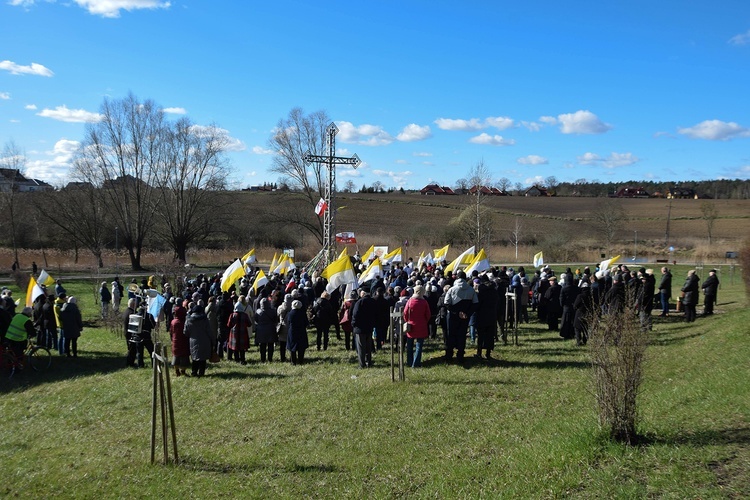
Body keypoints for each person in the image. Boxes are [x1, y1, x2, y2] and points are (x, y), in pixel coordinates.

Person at [443, 270, 478, 362]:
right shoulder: (471, 289)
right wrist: (467, 313)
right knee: (462, 335)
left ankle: (449, 355)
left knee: (451, 335)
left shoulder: (452, 289)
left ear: (457, 278)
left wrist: (456, 312)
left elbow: (446, 303)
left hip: (453, 316)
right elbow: (475, 303)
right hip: (465, 317)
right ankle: (460, 355)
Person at [402, 284, 431, 367]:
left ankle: (409, 362)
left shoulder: (410, 301)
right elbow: (428, 314)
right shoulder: (424, 302)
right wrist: (424, 321)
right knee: (419, 346)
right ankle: (416, 363)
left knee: (409, 346)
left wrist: (407, 320)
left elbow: (405, 313)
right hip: (421, 326)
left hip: (411, 326)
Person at [185, 301, 212, 377]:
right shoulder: (205, 320)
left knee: (194, 357)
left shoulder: (189, 320)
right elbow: (209, 331)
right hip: (204, 340)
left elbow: (185, 331)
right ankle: (201, 372)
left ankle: (194, 372)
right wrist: (212, 340)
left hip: (193, 340)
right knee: (203, 358)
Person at [351, 289, 376, 368]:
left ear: (363, 294)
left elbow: (355, 314)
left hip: (360, 328)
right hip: (369, 327)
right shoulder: (373, 301)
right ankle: (369, 362)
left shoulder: (359, 302)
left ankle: (362, 364)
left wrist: (353, 324)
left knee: (361, 347)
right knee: (368, 346)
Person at [474, 275, 498, 359]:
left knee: (480, 335)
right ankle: (488, 353)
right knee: (490, 335)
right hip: (492, 315)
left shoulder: (481, 292)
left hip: (482, 315)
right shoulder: (494, 291)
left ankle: (479, 352)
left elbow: (478, 304)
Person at [170, 299, 191, 376]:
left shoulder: (173, 321)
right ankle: (183, 370)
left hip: (176, 340)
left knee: (176, 356)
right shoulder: (185, 321)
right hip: (184, 340)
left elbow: (171, 331)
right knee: (184, 356)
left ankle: (177, 370)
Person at [255, 293, 278, 362]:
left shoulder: (258, 312)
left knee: (262, 345)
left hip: (261, 330)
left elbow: (256, 320)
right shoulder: (273, 311)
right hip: (270, 329)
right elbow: (275, 320)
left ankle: (263, 359)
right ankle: (270, 358)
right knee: (270, 345)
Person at [227, 298, 251, 364]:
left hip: (234, 333)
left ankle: (236, 359)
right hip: (243, 333)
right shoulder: (245, 315)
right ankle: (242, 359)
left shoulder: (232, 315)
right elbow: (249, 324)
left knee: (235, 347)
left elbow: (229, 325)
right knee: (242, 348)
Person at [286, 299, 309, 365]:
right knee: (301, 347)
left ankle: (293, 361)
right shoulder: (302, 313)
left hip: (292, 331)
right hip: (301, 330)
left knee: (292, 347)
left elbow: (288, 322)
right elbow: (306, 322)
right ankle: (301, 360)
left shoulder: (290, 313)